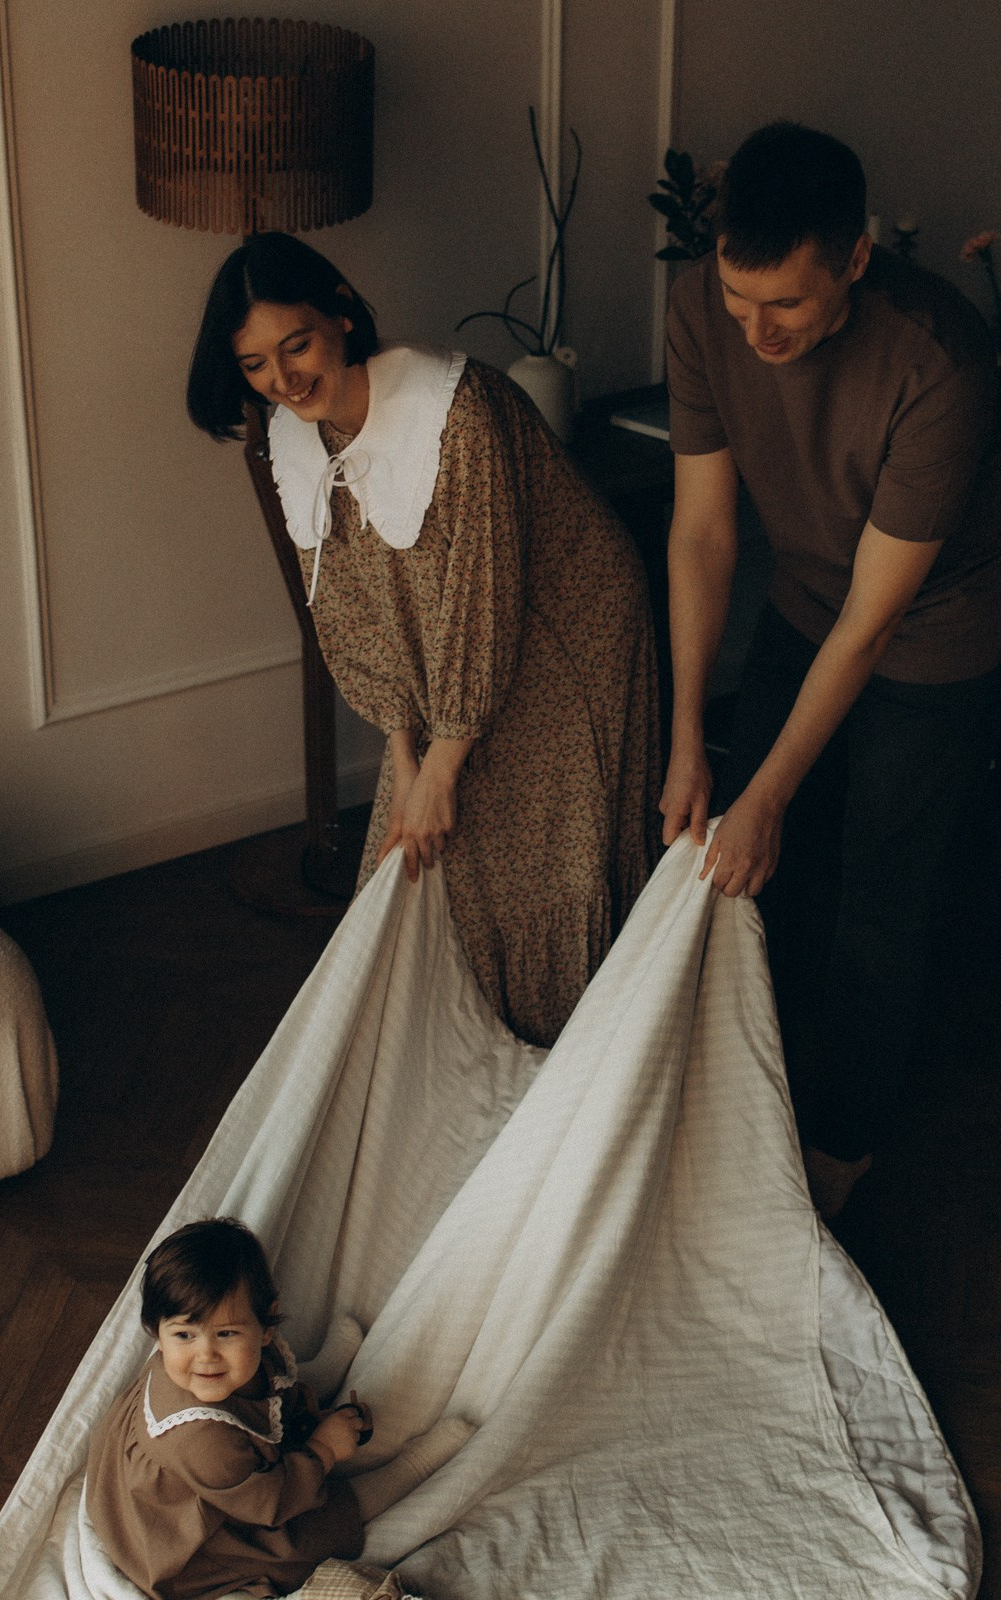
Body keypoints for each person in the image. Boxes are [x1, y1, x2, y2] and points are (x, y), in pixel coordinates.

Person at [661, 122, 1001, 1217]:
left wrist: (767, 796)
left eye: (785, 304)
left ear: (857, 259)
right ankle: (750, 1093)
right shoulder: (701, 307)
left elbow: (875, 626)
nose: (755, 331)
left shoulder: (938, 359)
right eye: (739, 301)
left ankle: (841, 1147)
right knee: (756, 864)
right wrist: (691, 736)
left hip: (937, 626)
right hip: (807, 594)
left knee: (881, 891)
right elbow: (703, 534)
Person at [188, 233, 659, 1049]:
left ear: (341, 313)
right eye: (256, 364)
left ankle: (560, 1073)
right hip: (459, 649)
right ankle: (459, 1067)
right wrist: (405, 755)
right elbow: (357, 613)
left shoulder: (458, 412)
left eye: (296, 345)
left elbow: (484, 593)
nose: (284, 380)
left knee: (535, 865)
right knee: (413, 852)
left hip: (565, 630)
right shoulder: (292, 437)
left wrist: (442, 768)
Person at [85, 1218, 465, 1600]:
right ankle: (411, 1467)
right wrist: (323, 1449)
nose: (205, 1355)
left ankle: (322, 1372)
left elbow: (262, 1387)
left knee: (256, 1375)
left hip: (218, 1471)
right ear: (157, 1332)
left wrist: (311, 1415)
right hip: (184, 1543)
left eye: (227, 1333)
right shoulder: (202, 1443)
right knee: (306, 1534)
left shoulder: (228, 1363)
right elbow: (272, 1502)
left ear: (267, 1324)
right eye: (184, 1335)